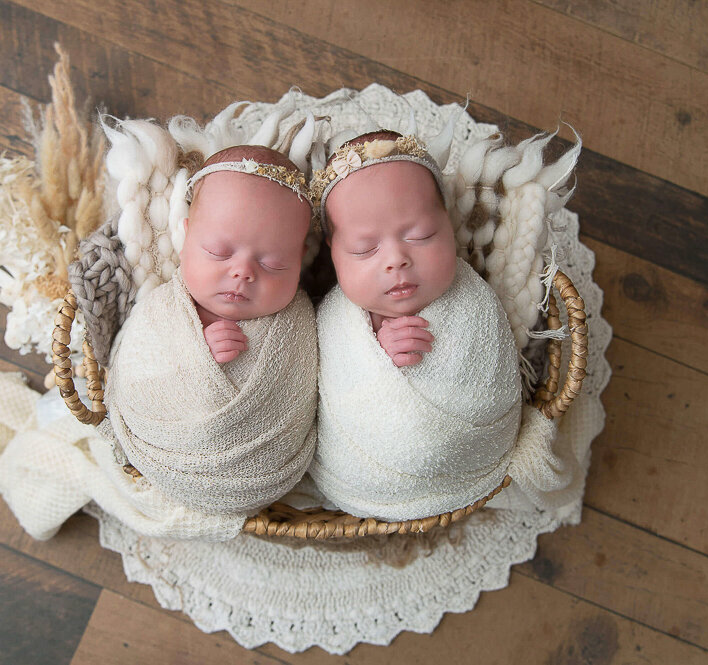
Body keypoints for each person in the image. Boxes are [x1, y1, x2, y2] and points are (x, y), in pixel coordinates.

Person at [307, 130, 523, 521]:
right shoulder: (335, 320)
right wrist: (373, 353)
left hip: (471, 456)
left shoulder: (471, 299)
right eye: (364, 249)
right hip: (365, 473)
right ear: (332, 253)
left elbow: (493, 371)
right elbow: (323, 388)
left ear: (450, 225)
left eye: (421, 235)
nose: (396, 259)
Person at [102, 144, 319, 516]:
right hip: (168, 454)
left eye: (273, 263)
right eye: (219, 252)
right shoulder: (163, 310)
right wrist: (193, 355)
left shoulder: (300, 320)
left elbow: (315, 390)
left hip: (269, 470)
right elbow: (134, 368)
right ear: (186, 239)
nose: (243, 272)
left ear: (300, 260)